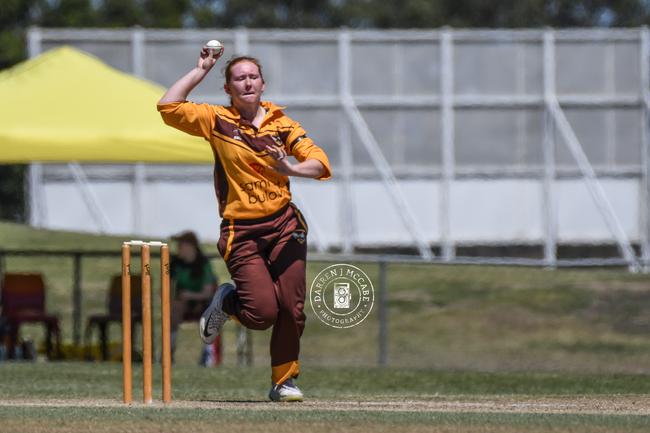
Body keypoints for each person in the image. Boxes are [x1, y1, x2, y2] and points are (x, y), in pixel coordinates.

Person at [157, 46, 332, 402]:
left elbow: (319, 162)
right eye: (239, 78)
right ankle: (227, 302)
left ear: (263, 84)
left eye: (253, 76)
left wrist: (291, 169)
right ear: (229, 89)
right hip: (242, 230)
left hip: (285, 224)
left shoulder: (283, 124)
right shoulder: (216, 120)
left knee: (291, 306)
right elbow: (168, 107)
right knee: (262, 312)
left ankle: (284, 381)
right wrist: (200, 70)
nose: (247, 82)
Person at [169, 230, 219, 366]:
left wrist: (189, 295)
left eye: (181, 244)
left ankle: (207, 355)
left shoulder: (203, 263)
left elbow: (208, 293)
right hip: (183, 303)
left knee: (210, 312)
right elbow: (167, 287)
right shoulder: (176, 263)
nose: (178, 247)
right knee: (174, 309)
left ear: (190, 246)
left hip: (203, 302)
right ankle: (168, 352)